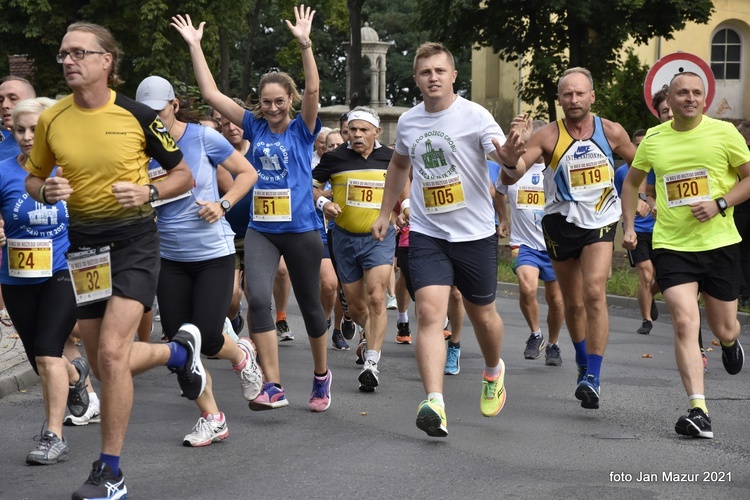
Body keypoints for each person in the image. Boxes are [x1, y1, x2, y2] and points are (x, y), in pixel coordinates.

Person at [24, 22, 205, 500]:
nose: (68, 60)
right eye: (64, 53)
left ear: (107, 61)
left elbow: (183, 175)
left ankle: (111, 471)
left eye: (79, 52)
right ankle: (179, 353)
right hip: (84, 247)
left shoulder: (140, 116)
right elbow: (34, 178)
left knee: (109, 352)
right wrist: (46, 189)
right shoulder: (52, 119)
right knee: (109, 367)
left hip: (134, 243)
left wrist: (148, 190)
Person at [173, 5, 332, 412]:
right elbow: (210, 93)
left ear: (290, 100)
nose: (274, 108)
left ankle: (320, 375)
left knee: (312, 308)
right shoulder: (254, 125)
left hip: (301, 230)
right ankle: (273, 385)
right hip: (263, 228)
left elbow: (313, 90)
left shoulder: (303, 128)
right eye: (267, 102)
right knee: (257, 299)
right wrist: (195, 46)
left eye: (280, 101)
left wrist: (306, 45)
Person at [372, 42, 523, 437]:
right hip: (427, 232)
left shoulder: (475, 115)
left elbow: (510, 163)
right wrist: (386, 212)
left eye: (440, 71)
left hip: (474, 233)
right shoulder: (408, 122)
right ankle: (434, 402)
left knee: (483, 315)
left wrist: (508, 155)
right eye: (425, 72)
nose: (433, 77)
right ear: (417, 79)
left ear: (453, 75)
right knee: (429, 313)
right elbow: (399, 165)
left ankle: (493, 370)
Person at [621, 71, 750, 439]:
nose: (689, 98)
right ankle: (698, 409)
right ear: (669, 100)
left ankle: (727, 340)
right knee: (683, 322)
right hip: (672, 245)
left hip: (720, 243)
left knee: (725, 324)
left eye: (696, 93)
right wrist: (628, 225)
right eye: (682, 93)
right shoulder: (655, 139)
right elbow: (632, 183)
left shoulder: (725, 134)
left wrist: (719, 202)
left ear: (704, 100)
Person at [135, 75, 262, 446]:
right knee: (180, 346)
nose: (153, 120)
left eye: (158, 111)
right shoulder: (138, 147)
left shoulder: (202, 137)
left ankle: (240, 353)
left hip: (212, 254)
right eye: (146, 114)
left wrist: (222, 204)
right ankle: (212, 417)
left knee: (206, 338)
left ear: (174, 104)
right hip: (168, 256)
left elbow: (247, 173)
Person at [502, 67, 636, 411]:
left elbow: (640, 167)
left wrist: (644, 197)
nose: (574, 100)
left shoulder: (612, 131)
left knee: (594, 291)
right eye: (567, 95)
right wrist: (510, 154)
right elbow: (515, 172)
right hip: (561, 224)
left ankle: (593, 375)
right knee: (573, 303)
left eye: (580, 94)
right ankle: (581, 360)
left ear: (592, 96)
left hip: (602, 221)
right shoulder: (547, 136)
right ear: (559, 100)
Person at [0, 97, 94, 465]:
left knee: (46, 352)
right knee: (40, 358)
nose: (26, 137)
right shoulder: (5, 170)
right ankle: (75, 372)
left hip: (63, 272)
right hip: (17, 276)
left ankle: (53, 435)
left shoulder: (75, 169)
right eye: (19, 130)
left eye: (34, 130)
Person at [314, 106, 394, 391]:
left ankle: (372, 363)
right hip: (344, 238)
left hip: (379, 237)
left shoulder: (391, 157)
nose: (357, 135)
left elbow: (404, 185)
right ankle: (365, 332)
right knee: (359, 307)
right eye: (352, 130)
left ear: (376, 132)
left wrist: (406, 206)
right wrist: (324, 203)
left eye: (363, 130)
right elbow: (309, 186)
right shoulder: (334, 158)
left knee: (376, 297)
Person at [494, 120, 565, 366]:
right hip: (524, 244)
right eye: (528, 142)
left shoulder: (557, 168)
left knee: (556, 300)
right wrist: (503, 218)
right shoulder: (517, 170)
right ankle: (536, 335)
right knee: (527, 288)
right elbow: (499, 190)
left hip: (555, 245)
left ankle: (553, 345)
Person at [613, 128, 660, 335]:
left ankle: (648, 295)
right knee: (646, 272)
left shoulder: (659, 168)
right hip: (637, 230)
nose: (641, 149)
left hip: (660, 229)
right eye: (637, 145)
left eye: (644, 145)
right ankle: (647, 320)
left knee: (663, 276)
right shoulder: (622, 173)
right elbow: (616, 199)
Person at [0, 76, 36, 325]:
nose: (4, 104)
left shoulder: (60, 146)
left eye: (13, 98)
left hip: (57, 254)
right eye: (0, 99)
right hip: (12, 252)